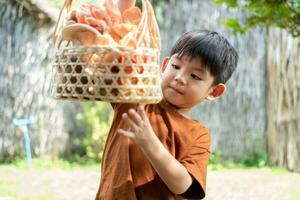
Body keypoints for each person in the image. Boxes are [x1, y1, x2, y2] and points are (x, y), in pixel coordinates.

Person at [95, 29, 238, 200]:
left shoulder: (198, 135)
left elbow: (183, 185)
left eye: (195, 76)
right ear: (164, 66)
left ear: (214, 92)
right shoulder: (136, 98)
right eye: (176, 66)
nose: (180, 78)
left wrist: (148, 141)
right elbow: (110, 65)